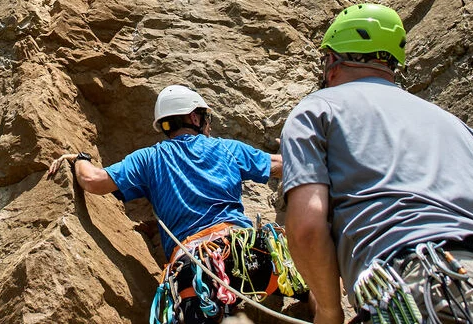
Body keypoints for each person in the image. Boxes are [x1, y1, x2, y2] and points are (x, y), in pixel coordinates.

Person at [280, 3, 473, 324]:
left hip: (415, 290)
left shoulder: (316, 110)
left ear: (332, 62)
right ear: (391, 64)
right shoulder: (458, 126)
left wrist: (329, 309)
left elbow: (306, 229)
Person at [49, 84, 307, 324]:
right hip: (248, 253)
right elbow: (282, 165)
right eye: (205, 118)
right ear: (194, 118)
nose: (208, 126)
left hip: (195, 272)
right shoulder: (226, 149)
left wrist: (80, 158)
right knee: (313, 275)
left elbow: (93, 181)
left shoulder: (148, 159)